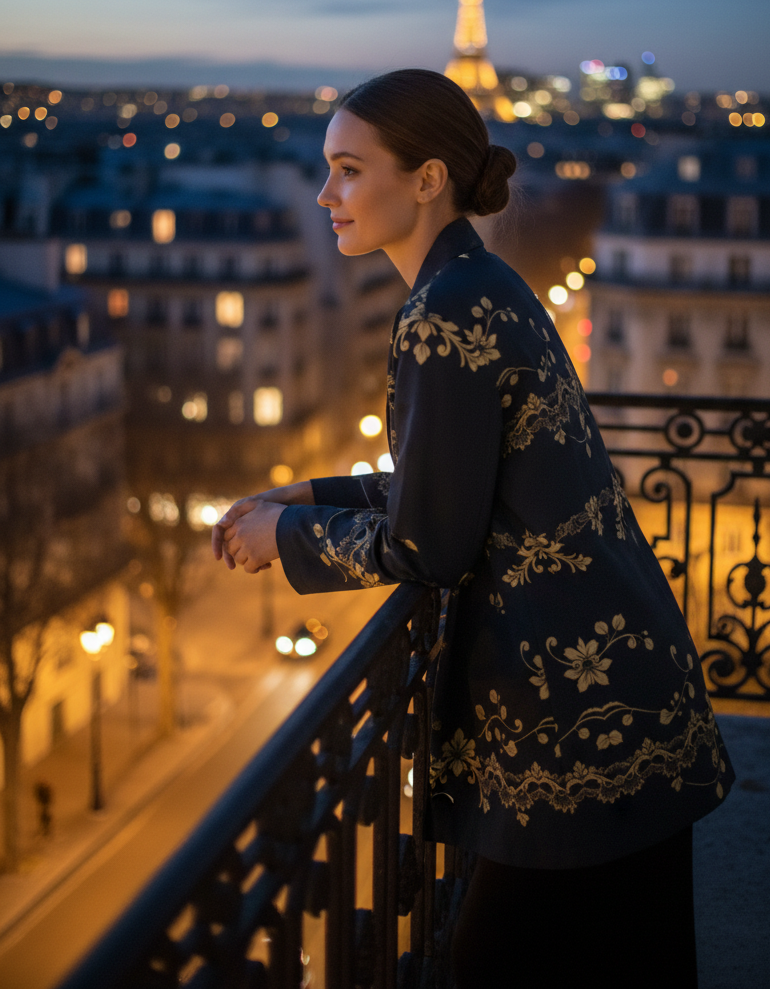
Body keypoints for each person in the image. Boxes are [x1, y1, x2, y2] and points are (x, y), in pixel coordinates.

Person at [212, 68, 733, 987]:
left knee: (496, 962)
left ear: (426, 179)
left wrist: (282, 542)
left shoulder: (440, 314)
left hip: (573, 724)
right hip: (621, 689)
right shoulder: (481, 282)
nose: (326, 194)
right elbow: (452, 484)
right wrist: (309, 494)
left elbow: (429, 545)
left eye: (346, 169)